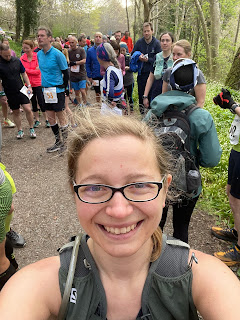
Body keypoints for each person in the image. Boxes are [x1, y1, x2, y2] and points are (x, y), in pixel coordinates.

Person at [0, 112, 240, 319]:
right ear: (74, 193)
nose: (118, 210)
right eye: (94, 188)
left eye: (139, 185)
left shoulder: (206, 278)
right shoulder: (38, 285)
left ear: (165, 189)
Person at [145, 59, 222, 243]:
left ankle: (151, 261)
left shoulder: (152, 113)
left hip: (157, 181)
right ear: (194, 84)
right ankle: (178, 267)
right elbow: (211, 159)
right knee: (181, 227)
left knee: (155, 227)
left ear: (169, 81)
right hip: (188, 182)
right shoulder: (201, 117)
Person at [211, 88, 240, 266]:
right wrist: (230, 104)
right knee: (231, 193)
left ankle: (239, 250)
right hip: (237, 149)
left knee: (238, 200)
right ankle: (237, 231)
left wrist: (233, 105)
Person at [37, 26, 69, 153]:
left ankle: (65, 144)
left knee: (61, 116)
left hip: (57, 90)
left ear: (49, 38)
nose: (39, 38)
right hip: (46, 90)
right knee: (50, 118)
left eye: (42, 36)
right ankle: (57, 141)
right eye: (38, 36)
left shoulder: (57, 54)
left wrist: (65, 88)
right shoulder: (39, 54)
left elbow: (66, 73)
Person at [0, 43, 36, 139]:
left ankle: (31, 128)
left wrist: (29, 86)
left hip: (21, 88)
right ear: (0, 53)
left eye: (9, 55)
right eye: (5, 56)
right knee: (16, 112)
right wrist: (2, 93)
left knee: (28, 109)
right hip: (9, 91)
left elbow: (24, 73)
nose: (8, 57)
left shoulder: (16, 60)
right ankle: (20, 130)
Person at [162, 39, 206, 108]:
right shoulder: (168, 72)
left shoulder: (197, 74)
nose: (175, 58)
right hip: (170, 114)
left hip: (189, 114)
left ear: (188, 55)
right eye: (173, 54)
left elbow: (200, 102)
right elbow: (163, 97)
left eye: (179, 54)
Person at [131, 22, 161, 114]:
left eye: (148, 31)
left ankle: (152, 116)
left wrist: (148, 60)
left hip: (153, 75)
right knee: (141, 96)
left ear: (152, 31)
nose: (146, 33)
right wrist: (138, 58)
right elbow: (132, 54)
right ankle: (142, 116)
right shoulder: (139, 43)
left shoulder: (157, 44)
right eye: (144, 31)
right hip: (142, 75)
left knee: (152, 96)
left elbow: (159, 59)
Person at [20, 40, 50, 128]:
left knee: (41, 101)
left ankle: (47, 119)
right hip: (28, 84)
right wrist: (32, 70)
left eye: (27, 48)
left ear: (32, 48)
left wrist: (27, 71)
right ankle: (37, 120)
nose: (25, 50)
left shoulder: (38, 56)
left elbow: (39, 71)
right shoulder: (22, 58)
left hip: (38, 83)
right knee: (33, 102)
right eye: (24, 48)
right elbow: (22, 71)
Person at [143, 32, 174, 108]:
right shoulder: (156, 57)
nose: (164, 43)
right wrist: (145, 96)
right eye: (162, 41)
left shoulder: (175, 58)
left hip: (171, 96)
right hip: (156, 94)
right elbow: (150, 78)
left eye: (167, 40)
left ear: (172, 43)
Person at [96, 43, 124, 114]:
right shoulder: (117, 68)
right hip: (116, 105)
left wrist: (109, 102)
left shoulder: (110, 71)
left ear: (101, 57)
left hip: (110, 109)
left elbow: (110, 91)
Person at [68, 36, 87, 106]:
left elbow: (84, 60)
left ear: (76, 42)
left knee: (82, 90)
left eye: (72, 42)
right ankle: (80, 104)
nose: (71, 44)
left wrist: (75, 63)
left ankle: (85, 103)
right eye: (70, 43)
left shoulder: (81, 50)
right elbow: (67, 60)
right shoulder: (69, 51)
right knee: (76, 92)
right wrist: (69, 63)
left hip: (81, 74)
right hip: (73, 75)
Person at [86, 32, 103, 104]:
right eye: (96, 37)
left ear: (102, 39)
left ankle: (105, 105)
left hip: (104, 74)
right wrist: (89, 76)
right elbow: (88, 64)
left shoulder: (105, 49)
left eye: (99, 37)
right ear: (94, 39)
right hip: (95, 75)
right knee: (97, 91)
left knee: (105, 91)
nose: (98, 38)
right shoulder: (90, 51)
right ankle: (98, 104)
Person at [120, 42, 134, 112]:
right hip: (122, 81)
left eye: (124, 50)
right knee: (123, 97)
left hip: (129, 80)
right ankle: (125, 110)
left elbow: (134, 68)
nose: (122, 52)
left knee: (130, 96)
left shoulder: (129, 57)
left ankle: (131, 109)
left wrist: (129, 68)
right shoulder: (118, 58)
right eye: (121, 50)